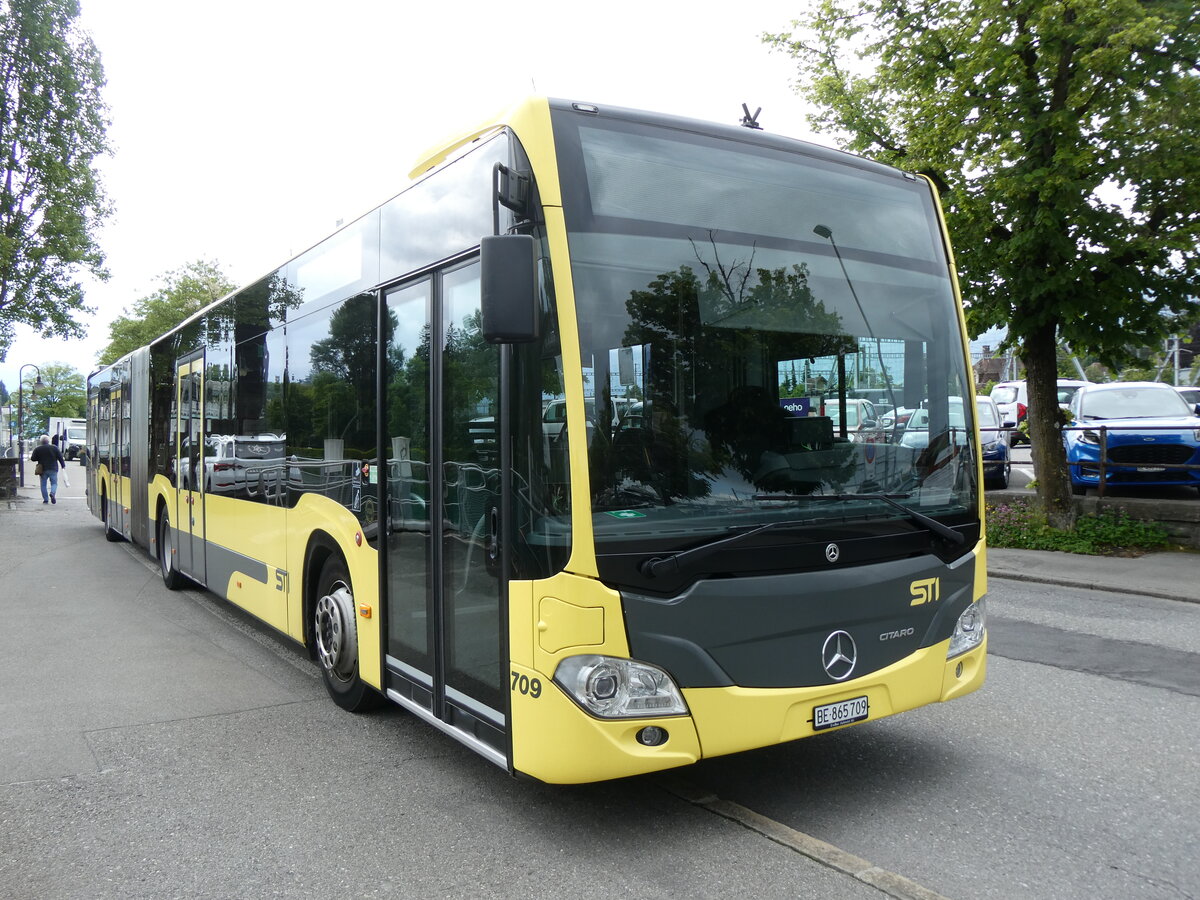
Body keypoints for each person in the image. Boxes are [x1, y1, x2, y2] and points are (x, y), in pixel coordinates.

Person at [30, 434, 67, 505]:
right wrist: (63, 466)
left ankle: (46, 499)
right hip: (53, 468)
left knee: (43, 485)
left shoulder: (38, 449)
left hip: (42, 469)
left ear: (41, 442)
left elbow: (33, 459)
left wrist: (39, 457)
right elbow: (60, 457)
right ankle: (52, 493)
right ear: (48, 441)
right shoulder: (54, 448)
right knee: (54, 483)